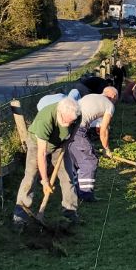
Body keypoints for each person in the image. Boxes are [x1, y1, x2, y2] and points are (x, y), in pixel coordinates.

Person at [14, 97, 80, 227]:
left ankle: (70, 211)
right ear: (59, 112)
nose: (69, 124)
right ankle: (21, 213)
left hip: (61, 144)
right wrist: (45, 181)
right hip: (37, 145)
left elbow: (75, 129)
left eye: (71, 121)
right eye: (66, 121)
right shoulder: (46, 119)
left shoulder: (77, 114)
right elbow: (42, 153)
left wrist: (68, 141)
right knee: (30, 176)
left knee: (68, 176)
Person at [70, 86, 117, 202]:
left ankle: (75, 192)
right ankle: (86, 196)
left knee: (74, 161)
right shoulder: (109, 105)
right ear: (114, 96)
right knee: (90, 161)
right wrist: (106, 148)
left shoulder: (91, 96)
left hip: (67, 127)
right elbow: (103, 130)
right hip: (78, 129)